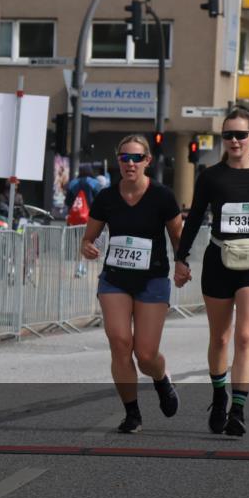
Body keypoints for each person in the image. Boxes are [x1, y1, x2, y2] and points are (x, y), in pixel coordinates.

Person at [174, 107, 249, 437]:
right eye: (228, 135)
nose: (234, 141)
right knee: (220, 337)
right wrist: (181, 259)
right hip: (218, 260)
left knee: (244, 336)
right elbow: (196, 215)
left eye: (240, 135)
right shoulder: (211, 176)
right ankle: (218, 397)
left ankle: (238, 411)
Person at [80, 135, 183, 433]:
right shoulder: (107, 197)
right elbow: (89, 237)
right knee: (120, 343)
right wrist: (87, 246)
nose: (130, 163)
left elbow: (178, 237)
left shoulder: (162, 196)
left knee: (146, 355)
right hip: (115, 279)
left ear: (147, 161)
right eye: (124, 157)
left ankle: (161, 379)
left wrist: (182, 264)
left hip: (152, 280)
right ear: (118, 161)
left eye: (136, 158)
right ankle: (132, 413)